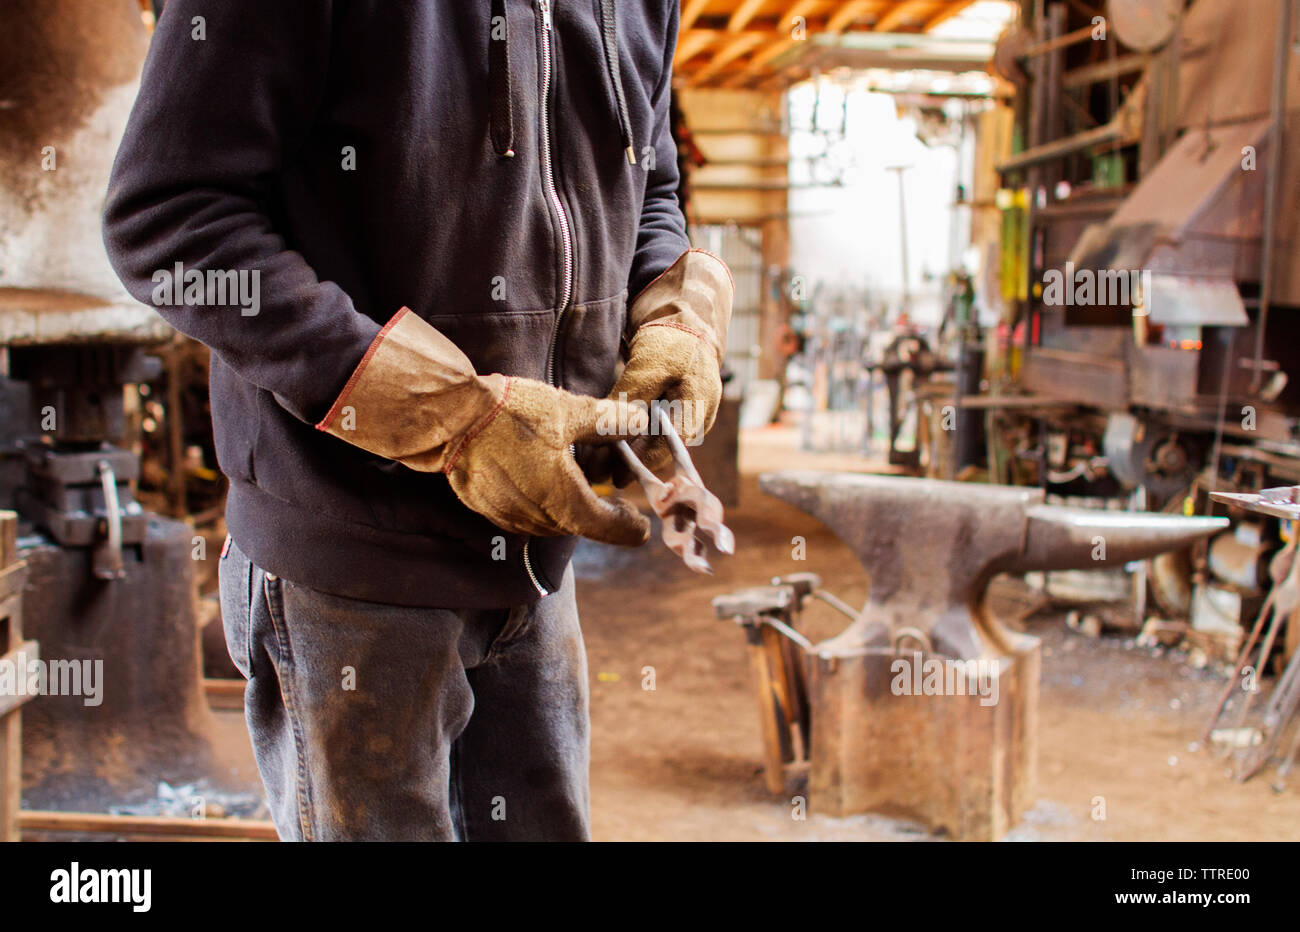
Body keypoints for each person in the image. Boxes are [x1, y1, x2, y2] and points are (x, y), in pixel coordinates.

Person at [102, 0, 732, 841]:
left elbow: (647, 184)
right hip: (353, 563)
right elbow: (171, 220)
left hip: (537, 556)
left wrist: (673, 314)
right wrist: (454, 420)